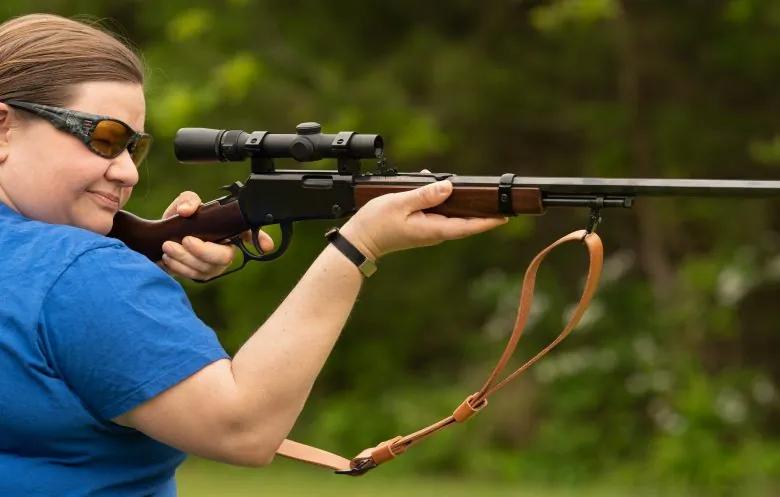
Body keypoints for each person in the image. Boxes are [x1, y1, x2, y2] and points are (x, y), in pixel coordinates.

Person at [0, 12, 507, 497]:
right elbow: (241, 429)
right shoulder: (83, 274)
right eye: (105, 139)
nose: (128, 173)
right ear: (4, 126)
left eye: (136, 147)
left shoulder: (70, 273)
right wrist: (357, 247)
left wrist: (141, 271)